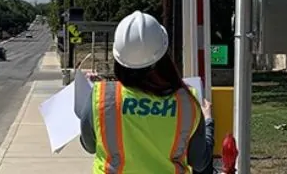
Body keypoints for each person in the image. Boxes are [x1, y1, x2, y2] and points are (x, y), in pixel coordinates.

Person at [79, 10, 215, 173]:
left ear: (118, 58)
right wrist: (208, 122)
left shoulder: (100, 96)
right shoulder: (187, 103)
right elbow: (200, 161)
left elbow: (89, 145)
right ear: (164, 56)